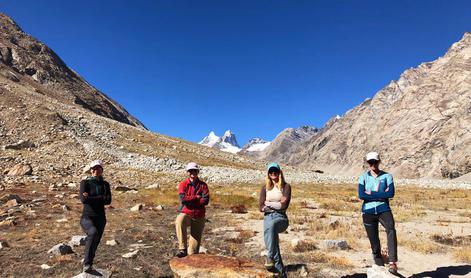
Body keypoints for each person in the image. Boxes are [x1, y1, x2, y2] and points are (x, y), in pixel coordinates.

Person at [358, 152, 398, 274]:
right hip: (368, 212)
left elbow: (390, 194)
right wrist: (381, 195)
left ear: (379, 162)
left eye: (375, 162)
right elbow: (361, 195)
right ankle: (379, 264)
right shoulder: (363, 177)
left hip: (383, 209)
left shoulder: (387, 176)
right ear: (367, 163)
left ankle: (392, 263)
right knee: (374, 240)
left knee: (391, 229)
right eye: (370, 162)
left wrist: (371, 194)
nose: (373, 164)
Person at [259, 162, 291, 278]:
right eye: (271, 172)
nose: (273, 174)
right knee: (273, 245)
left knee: (271, 228)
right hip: (267, 218)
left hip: (281, 218)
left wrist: (268, 204)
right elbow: (261, 207)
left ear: (279, 173)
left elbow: (284, 206)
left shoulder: (286, 187)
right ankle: (281, 274)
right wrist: (276, 203)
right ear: (268, 174)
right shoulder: (264, 188)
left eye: (275, 172)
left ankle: (270, 257)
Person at [79, 160, 112, 274]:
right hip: (87, 218)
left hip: (101, 219)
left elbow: (108, 200)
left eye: (98, 168)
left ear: (102, 170)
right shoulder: (85, 183)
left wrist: (91, 198)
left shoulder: (105, 184)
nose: (94, 170)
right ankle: (86, 264)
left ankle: (89, 264)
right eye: (93, 168)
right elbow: (84, 200)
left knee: (95, 242)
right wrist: (101, 197)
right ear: (90, 170)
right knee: (92, 233)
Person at [175, 162, 210, 258]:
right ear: (187, 172)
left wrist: (190, 199)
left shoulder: (203, 185)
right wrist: (197, 197)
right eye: (190, 171)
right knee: (179, 220)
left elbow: (205, 201)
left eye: (194, 170)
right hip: (187, 212)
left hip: (199, 215)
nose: (192, 172)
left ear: (197, 171)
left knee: (193, 253)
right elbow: (183, 200)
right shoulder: (183, 184)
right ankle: (182, 248)